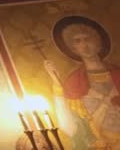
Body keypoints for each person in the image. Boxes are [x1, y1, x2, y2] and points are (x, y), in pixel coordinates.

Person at [44, 18, 120, 148]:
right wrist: (56, 82)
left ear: (99, 43)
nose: (84, 45)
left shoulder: (117, 73)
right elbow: (69, 125)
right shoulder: (74, 80)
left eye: (88, 39)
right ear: (74, 49)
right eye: (78, 41)